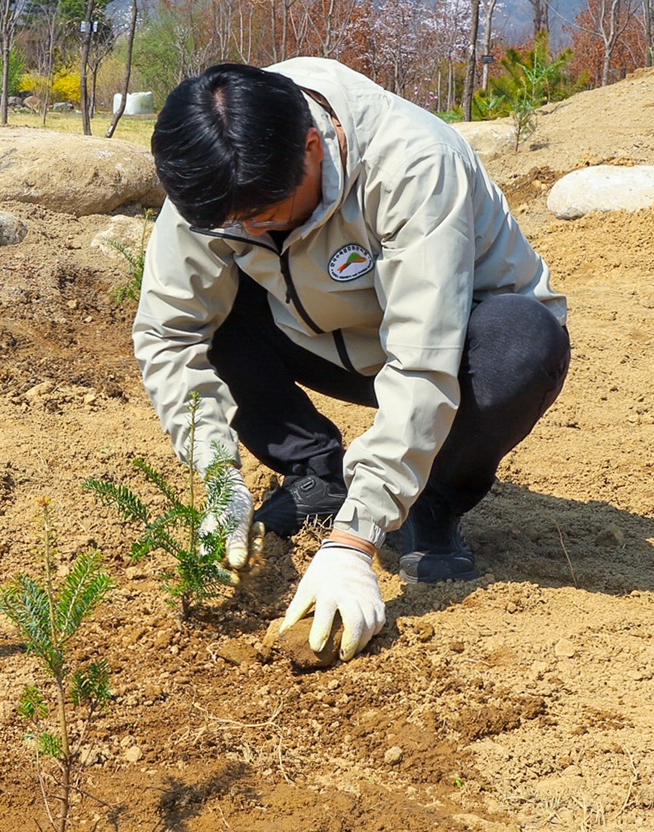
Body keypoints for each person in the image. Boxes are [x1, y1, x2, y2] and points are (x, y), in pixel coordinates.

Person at [132, 58, 570, 661]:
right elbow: (170, 331)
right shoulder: (217, 171)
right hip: (319, 334)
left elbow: (423, 360)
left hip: (460, 342)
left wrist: (353, 541)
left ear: (313, 148)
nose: (250, 232)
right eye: (235, 226)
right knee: (213, 315)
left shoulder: (412, 164)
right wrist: (217, 475)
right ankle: (317, 474)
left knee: (523, 341)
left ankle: (433, 499)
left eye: (266, 216)